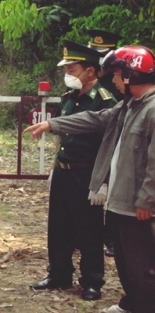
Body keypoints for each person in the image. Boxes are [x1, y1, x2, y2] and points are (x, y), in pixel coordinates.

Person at [24, 45, 155, 313]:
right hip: (121, 198)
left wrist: (147, 199)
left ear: (131, 76)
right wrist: (53, 124)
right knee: (124, 257)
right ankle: (131, 303)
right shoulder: (128, 106)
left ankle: (144, 304)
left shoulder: (151, 110)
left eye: (118, 75)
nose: (115, 81)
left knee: (140, 259)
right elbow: (95, 118)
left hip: (137, 201)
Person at [28, 40, 117, 301]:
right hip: (65, 170)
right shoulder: (68, 99)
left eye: (73, 69)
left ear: (90, 71)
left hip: (87, 173)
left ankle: (91, 281)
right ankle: (59, 273)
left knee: (88, 228)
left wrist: (103, 182)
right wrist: (56, 167)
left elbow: (108, 144)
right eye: (66, 69)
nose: (68, 74)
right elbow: (63, 136)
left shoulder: (105, 101)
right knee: (59, 225)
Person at [87, 29, 124, 257]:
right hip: (89, 146)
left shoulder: (119, 84)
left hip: (113, 143)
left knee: (112, 194)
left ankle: (111, 238)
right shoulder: (90, 81)